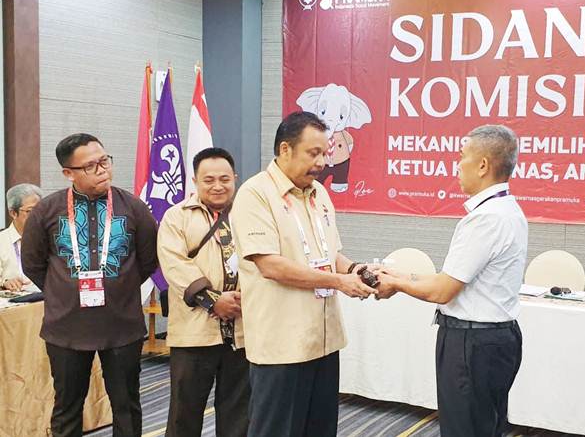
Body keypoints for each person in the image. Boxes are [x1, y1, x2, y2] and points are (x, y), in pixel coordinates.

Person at [231, 111, 376, 437]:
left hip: (323, 341)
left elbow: (330, 253)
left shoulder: (319, 193)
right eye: (313, 153)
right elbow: (270, 265)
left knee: (320, 430)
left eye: (325, 153)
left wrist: (356, 270)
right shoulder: (255, 194)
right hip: (282, 345)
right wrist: (338, 281)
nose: (322, 162)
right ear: (285, 149)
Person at [376, 124, 528, 437]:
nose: (456, 165)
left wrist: (396, 285)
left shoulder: (486, 218)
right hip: (492, 340)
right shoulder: (506, 210)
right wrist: (400, 275)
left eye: (461, 157)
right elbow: (453, 279)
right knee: (484, 426)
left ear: (483, 165)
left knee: (464, 429)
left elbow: (443, 291)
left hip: (472, 346)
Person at [22, 133, 159, 437]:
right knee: (67, 408)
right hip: (66, 327)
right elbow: (32, 264)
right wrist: (62, 290)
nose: (102, 170)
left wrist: (119, 287)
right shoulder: (47, 210)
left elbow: (149, 260)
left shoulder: (134, 207)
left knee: (127, 407)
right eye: (90, 166)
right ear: (68, 173)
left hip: (121, 326)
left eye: (105, 161)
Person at [157, 147, 250, 437]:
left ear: (235, 178)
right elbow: (174, 265)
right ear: (195, 181)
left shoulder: (250, 215)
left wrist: (247, 297)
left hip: (243, 331)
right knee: (185, 413)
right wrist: (214, 301)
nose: (218, 186)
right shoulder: (177, 217)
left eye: (225, 179)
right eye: (209, 180)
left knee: (239, 414)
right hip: (194, 332)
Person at [0, 183, 43, 290]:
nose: (36, 216)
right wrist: (4, 282)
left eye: (39, 210)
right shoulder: (2, 241)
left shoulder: (48, 239)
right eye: (30, 211)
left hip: (42, 297)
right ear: (13, 213)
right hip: (14, 297)